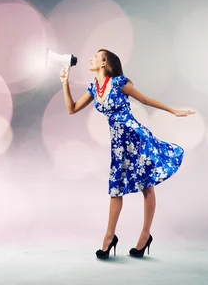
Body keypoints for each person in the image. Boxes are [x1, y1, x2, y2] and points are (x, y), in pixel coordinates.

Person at [59, 49, 195, 260]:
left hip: (135, 137)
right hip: (118, 145)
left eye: (96, 56)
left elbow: (145, 100)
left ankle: (144, 235)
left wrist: (173, 111)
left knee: (146, 184)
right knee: (116, 188)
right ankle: (109, 238)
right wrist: (64, 83)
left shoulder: (119, 83)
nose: (91, 59)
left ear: (104, 63)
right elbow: (72, 108)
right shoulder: (94, 88)